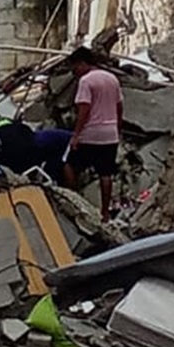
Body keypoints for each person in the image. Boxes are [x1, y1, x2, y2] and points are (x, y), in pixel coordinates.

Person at [63, 47, 124, 221]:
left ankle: (75, 203)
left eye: (75, 68)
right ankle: (105, 213)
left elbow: (84, 109)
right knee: (106, 174)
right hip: (110, 134)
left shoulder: (86, 81)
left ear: (82, 63)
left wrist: (76, 135)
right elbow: (119, 107)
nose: (74, 73)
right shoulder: (112, 78)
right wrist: (117, 129)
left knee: (68, 164)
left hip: (91, 133)